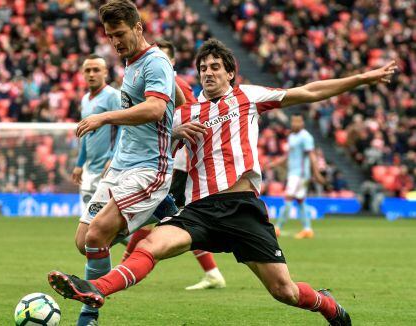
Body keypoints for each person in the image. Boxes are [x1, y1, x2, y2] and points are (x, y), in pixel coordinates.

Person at [49, 38, 397, 325]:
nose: (208, 72)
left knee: (284, 292)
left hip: (242, 208)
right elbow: (150, 138)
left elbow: (308, 91)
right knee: (148, 247)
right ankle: (95, 288)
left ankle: (327, 306)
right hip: (199, 210)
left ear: (231, 72)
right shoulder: (185, 113)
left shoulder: (249, 97)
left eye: (216, 67)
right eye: (203, 68)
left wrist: (363, 79)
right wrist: (173, 132)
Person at [61, 1, 178, 325]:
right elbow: (174, 100)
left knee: (98, 235)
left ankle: (88, 316)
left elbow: (155, 109)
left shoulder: (156, 62)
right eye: (110, 35)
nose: (115, 41)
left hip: (149, 168)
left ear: (138, 28)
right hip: (120, 166)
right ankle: (151, 225)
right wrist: (179, 119)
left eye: (120, 34)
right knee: (84, 242)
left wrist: (104, 118)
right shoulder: (131, 63)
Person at [121, 39, 226, 291]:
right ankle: (211, 272)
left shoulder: (176, 84)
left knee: (167, 215)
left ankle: (123, 266)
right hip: (162, 161)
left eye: (165, 58)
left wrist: (176, 135)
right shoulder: (152, 81)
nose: (159, 63)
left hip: (176, 164)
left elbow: (193, 112)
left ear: (172, 62)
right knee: (166, 215)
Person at [72, 54, 121, 213]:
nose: (91, 74)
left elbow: (122, 127)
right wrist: (80, 164)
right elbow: (85, 134)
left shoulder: (113, 96)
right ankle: (138, 238)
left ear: (105, 72)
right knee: (90, 220)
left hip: (108, 168)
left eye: (96, 70)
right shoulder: (85, 99)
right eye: (88, 70)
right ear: (83, 73)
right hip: (90, 168)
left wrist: (112, 158)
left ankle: (140, 237)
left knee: (104, 224)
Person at [272, 113, 326, 239]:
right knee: (300, 201)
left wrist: (316, 173)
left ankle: (277, 228)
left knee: (288, 198)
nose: (295, 124)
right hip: (293, 173)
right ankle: (307, 229)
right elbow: (288, 155)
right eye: (293, 121)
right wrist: (275, 163)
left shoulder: (306, 137)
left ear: (303, 123)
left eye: (298, 121)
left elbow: (312, 156)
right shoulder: (292, 136)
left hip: (300, 175)